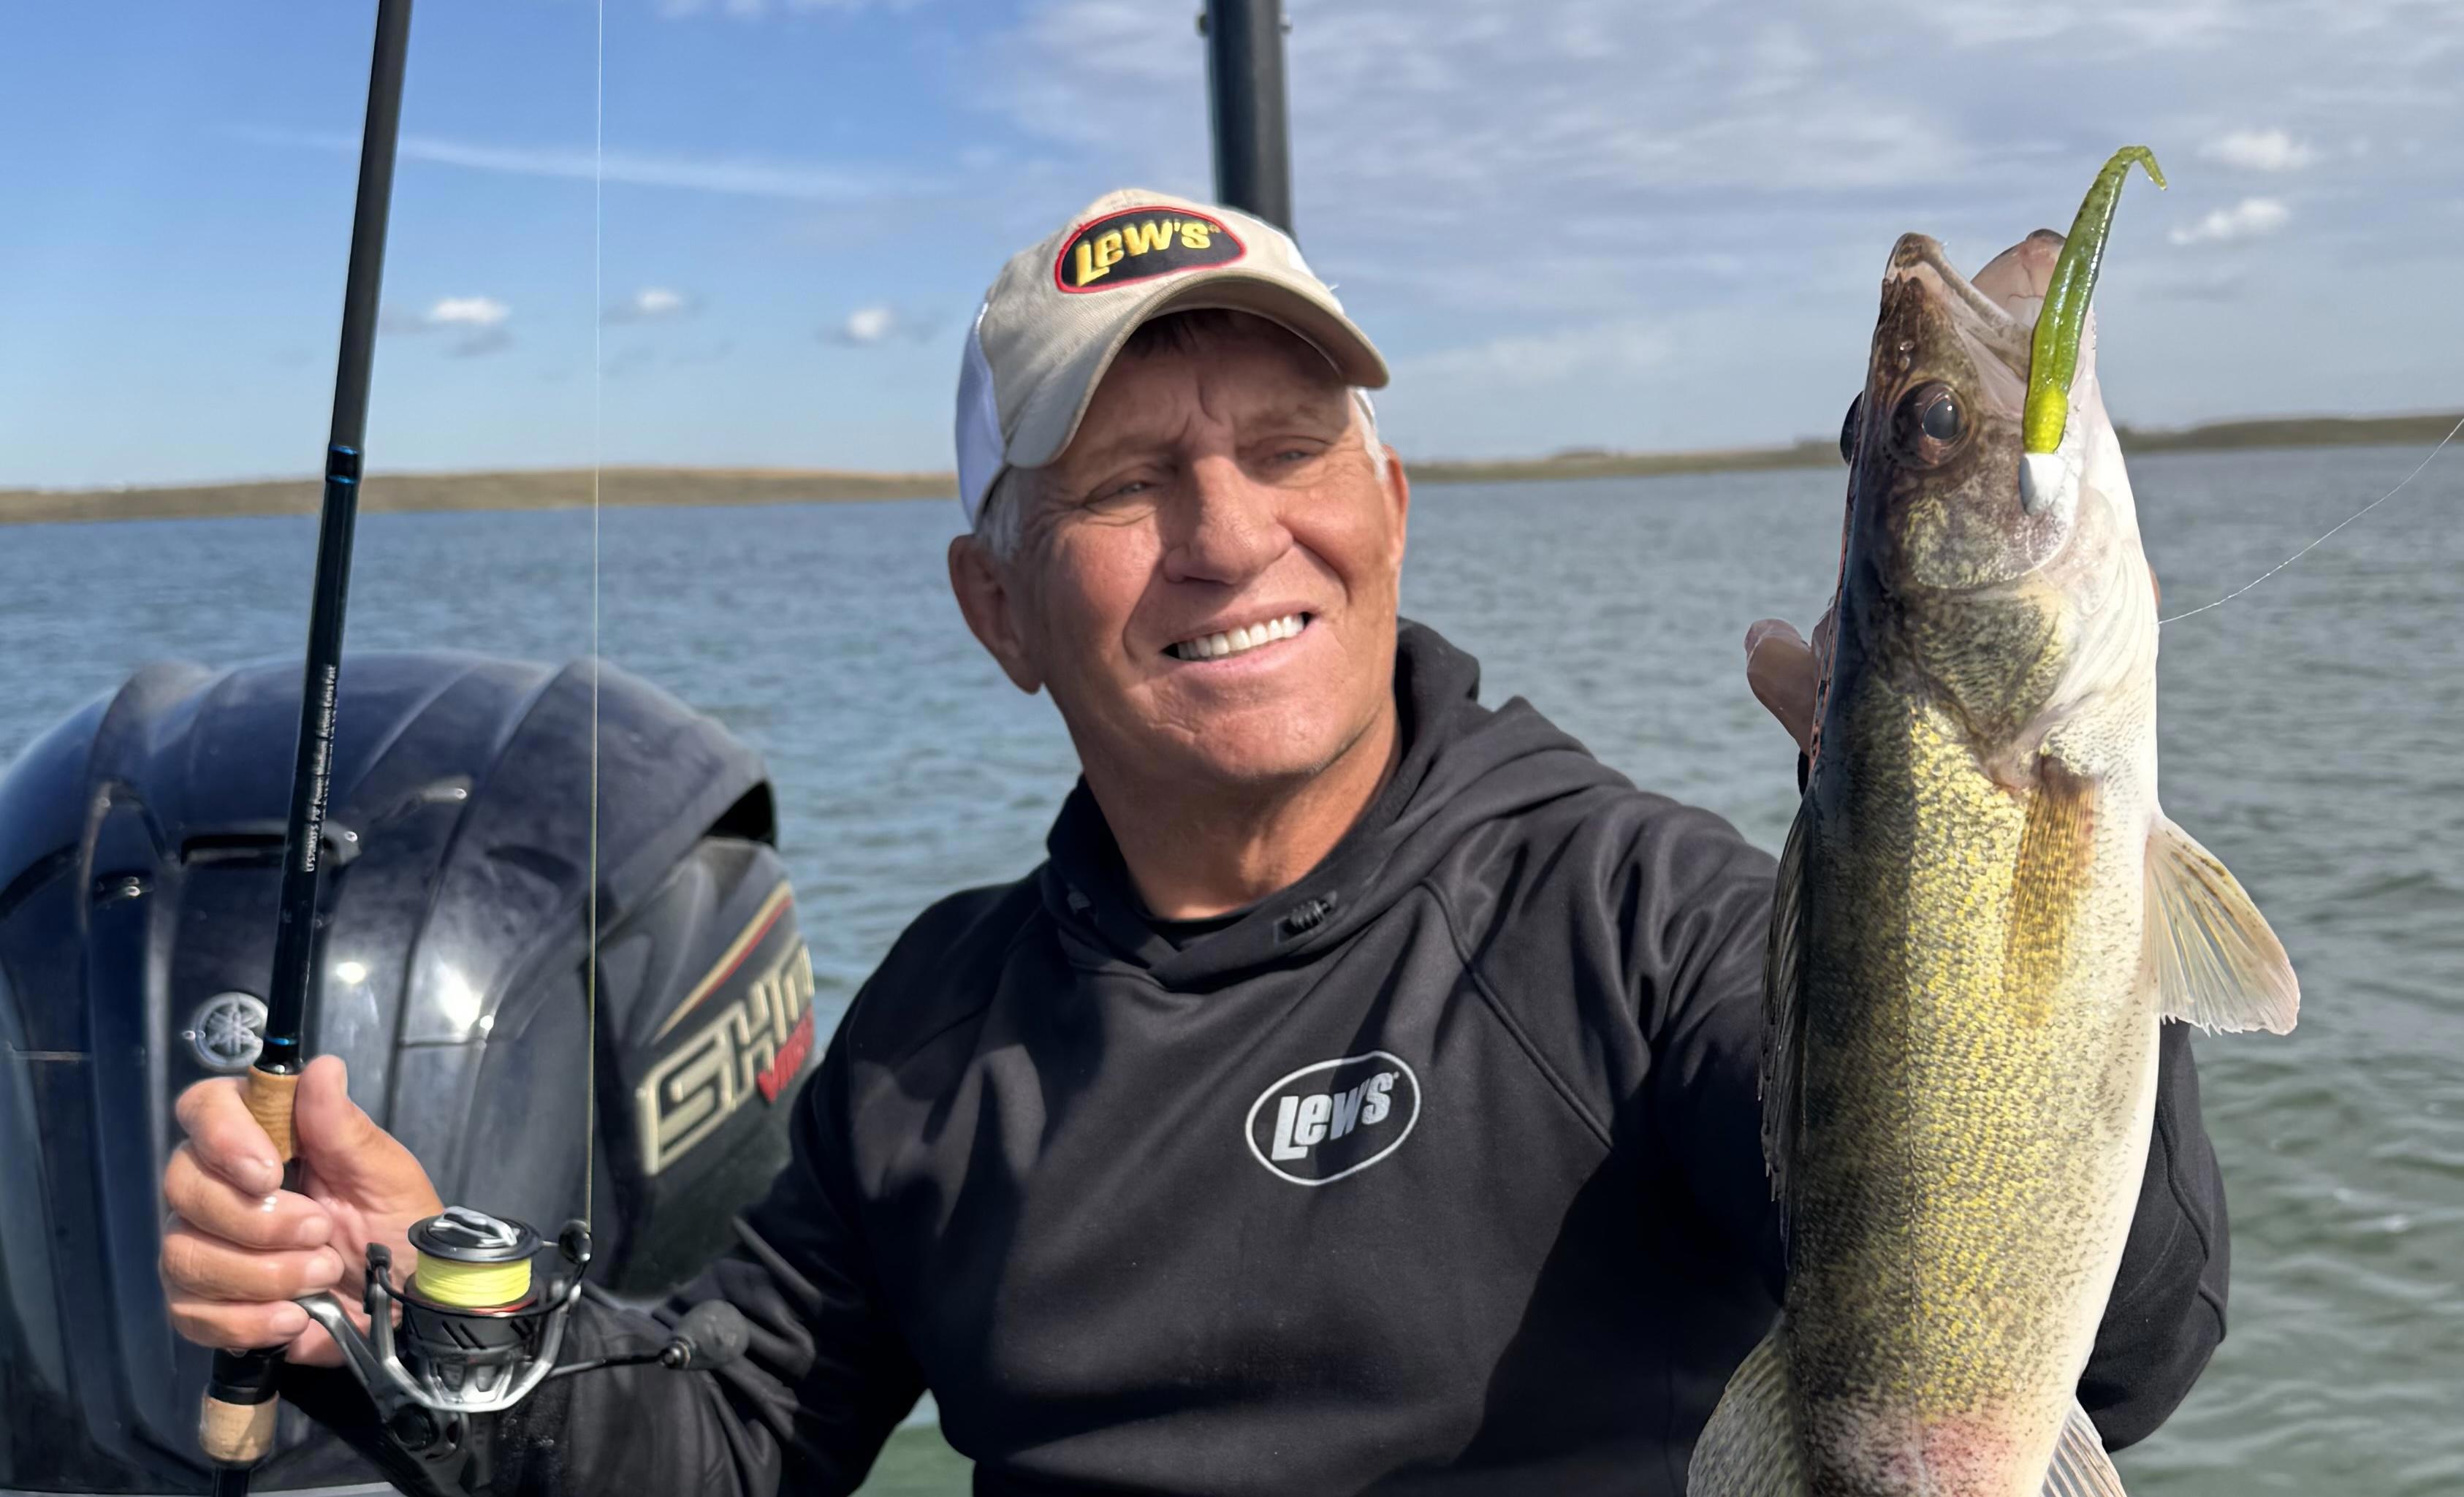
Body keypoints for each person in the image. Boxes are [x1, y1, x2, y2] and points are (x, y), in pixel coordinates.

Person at [160, 190, 2229, 1495]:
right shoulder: (934, 1033)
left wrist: (1963, 891)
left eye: (1286, 445)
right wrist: (400, 1302)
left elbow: (2113, 1350)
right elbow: (717, 1445)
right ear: (994, 606)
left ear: (1386, 501)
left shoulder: (1632, 909)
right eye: (1128, 477)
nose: (1231, 531)